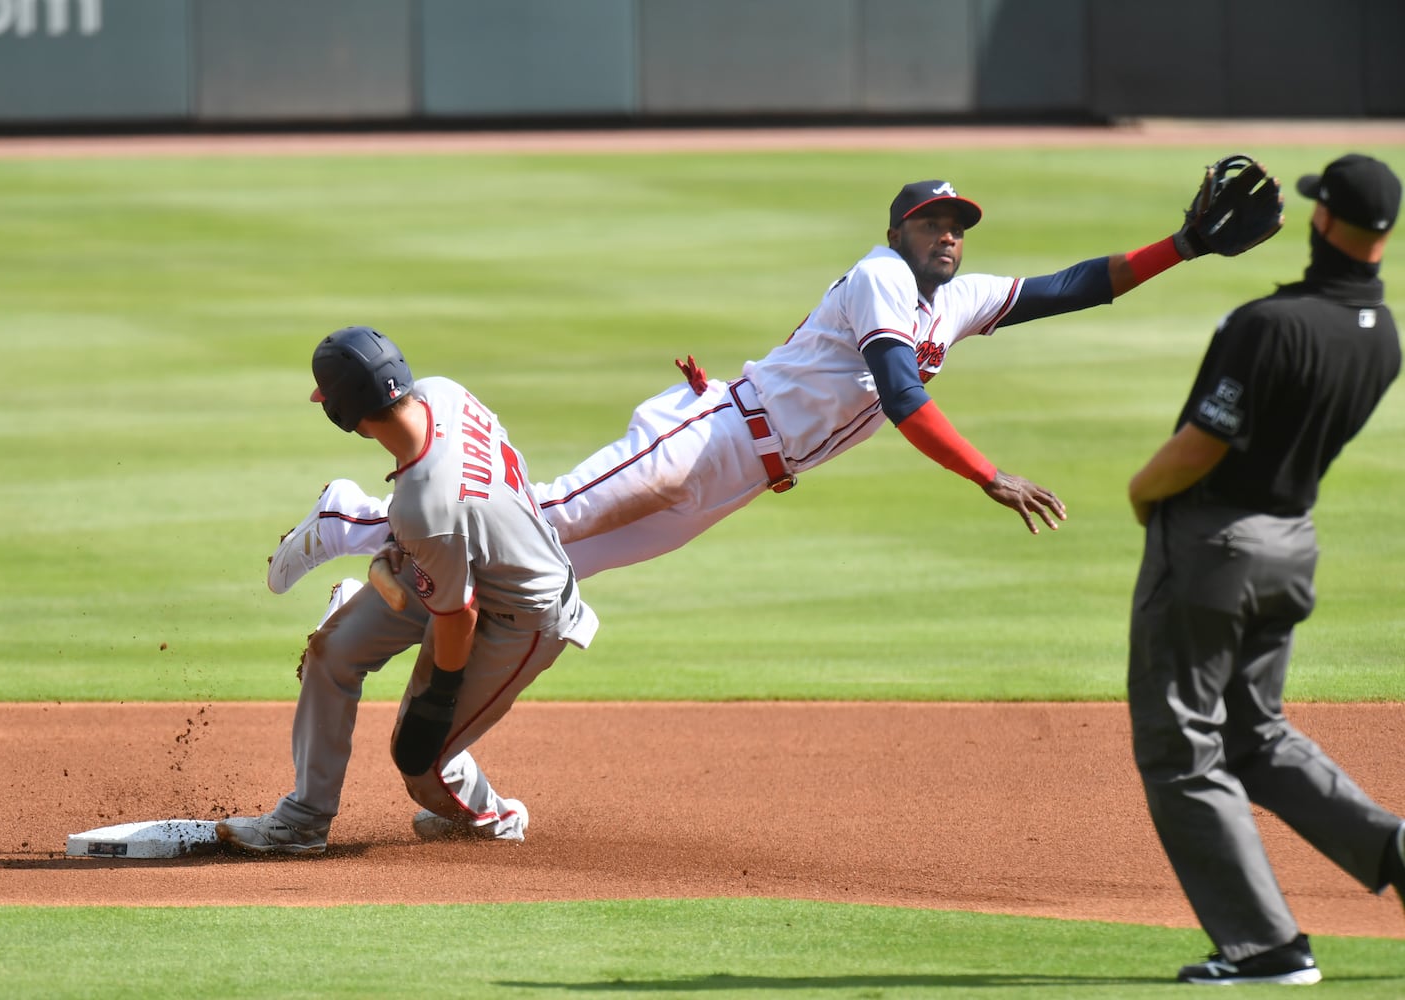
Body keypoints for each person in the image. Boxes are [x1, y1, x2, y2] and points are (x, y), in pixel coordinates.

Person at [265, 166, 1283, 593]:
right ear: (897, 232)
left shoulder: (956, 297)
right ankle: (352, 515)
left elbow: (1073, 288)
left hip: (742, 477)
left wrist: (1182, 246)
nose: (947, 235)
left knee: (540, 567)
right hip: (710, 430)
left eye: (957, 225)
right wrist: (987, 475)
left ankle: (396, 574)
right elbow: (900, 394)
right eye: (933, 221)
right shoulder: (882, 277)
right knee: (532, 522)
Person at [1125, 153, 1404, 985]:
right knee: (1255, 734)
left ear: (1323, 222)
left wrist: (1143, 493)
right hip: (1293, 542)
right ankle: (1395, 851)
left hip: (1217, 545)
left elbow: (1201, 445)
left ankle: (1265, 946)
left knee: (1180, 744)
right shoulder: (1383, 335)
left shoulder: (1267, 324)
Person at [218, 325, 599, 856]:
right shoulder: (443, 391)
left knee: (421, 765)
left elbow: (458, 617)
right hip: (457, 557)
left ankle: (496, 819)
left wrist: (438, 699)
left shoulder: (426, 508)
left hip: (522, 614)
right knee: (332, 652)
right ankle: (304, 820)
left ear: (344, 411)